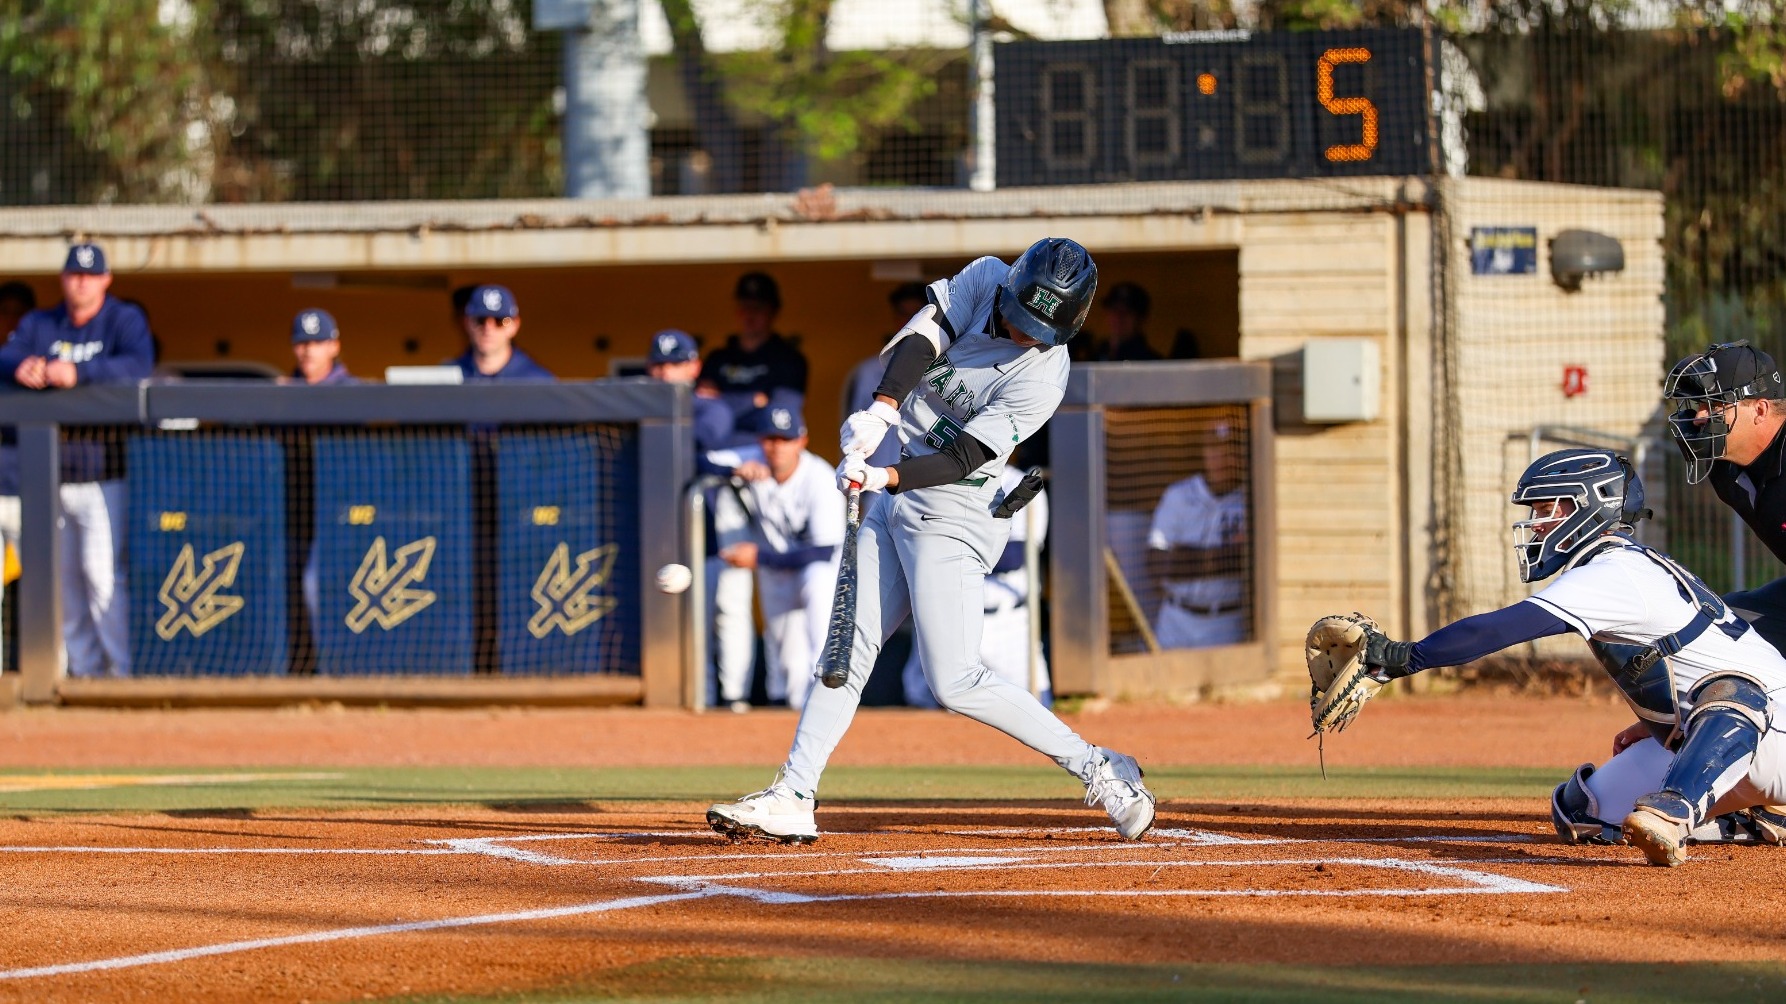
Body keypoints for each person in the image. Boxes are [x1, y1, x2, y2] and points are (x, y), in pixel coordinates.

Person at [706, 237, 1157, 845]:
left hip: (956, 507)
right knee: (846, 650)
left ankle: (1101, 767)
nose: (1025, 336)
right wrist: (881, 413)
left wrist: (882, 474)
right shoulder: (984, 279)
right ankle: (794, 792)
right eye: (1022, 321)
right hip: (897, 485)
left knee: (955, 680)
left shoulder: (1047, 372)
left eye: (1039, 330)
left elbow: (966, 457)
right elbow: (921, 339)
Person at [1335, 448, 1786, 866]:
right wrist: (1660, 720)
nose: (1535, 523)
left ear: (1590, 507)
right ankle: (1751, 820)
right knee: (1582, 813)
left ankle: (1675, 811)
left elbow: (1501, 628)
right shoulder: (1612, 566)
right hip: (1717, 742)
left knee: (1733, 694)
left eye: (1547, 509)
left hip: (1772, 734)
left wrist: (1403, 657)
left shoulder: (1615, 571)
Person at [0, 243, 153, 677]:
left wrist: (78, 373)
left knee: (102, 577)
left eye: (90, 275)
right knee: (62, 583)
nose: (81, 282)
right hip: (49, 479)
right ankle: (86, 673)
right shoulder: (42, 323)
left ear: (106, 279)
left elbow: (139, 365)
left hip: (102, 476)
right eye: (73, 275)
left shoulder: (122, 319)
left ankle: (121, 674)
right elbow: (6, 352)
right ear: (63, 280)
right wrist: (22, 366)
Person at [648, 328, 764, 712]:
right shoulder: (638, 409)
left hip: (713, 532)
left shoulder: (709, 408)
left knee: (728, 613)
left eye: (677, 363)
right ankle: (698, 697)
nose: (668, 373)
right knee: (684, 624)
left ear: (694, 366)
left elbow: (693, 445)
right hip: (658, 536)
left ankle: (735, 699)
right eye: (661, 365)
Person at [706, 405, 843, 711]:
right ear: (760, 440)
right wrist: (731, 471)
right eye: (770, 439)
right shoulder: (753, 457)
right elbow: (700, 461)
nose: (776, 447)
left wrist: (760, 557)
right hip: (774, 568)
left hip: (816, 568)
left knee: (819, 628)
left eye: (785, 439)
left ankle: (831, 700)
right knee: (788, 662)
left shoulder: (820, 478)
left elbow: (824, 550)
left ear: (801, 441)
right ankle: (790, 714)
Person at [1662, 341, 1786, 652]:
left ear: (1760, 409)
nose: (1700, 418)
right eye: (1698, 405)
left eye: (1715, 405)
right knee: (1722, 628)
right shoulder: (1725, 471)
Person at [903, 464, 1051, 706]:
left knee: (1033, 708)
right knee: (924, 705)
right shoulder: (939, 479)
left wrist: (951, 551)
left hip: (1006, 623)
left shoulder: (1020, 483)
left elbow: (1015, 555)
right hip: (945, 617)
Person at [1145, 421, 1248, 648]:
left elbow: (1254, 563)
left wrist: (1185, 556)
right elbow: (1156, 565)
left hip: (1227, 622)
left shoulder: (1250, 500)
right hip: (1176, 621)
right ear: (1203, 452)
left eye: (1228, 449)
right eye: (1213, 448)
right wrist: (1228, 556)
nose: (1220, 457)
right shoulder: (1178, 495)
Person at [699, 272, 808, 434]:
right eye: (744, 307)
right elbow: (700, 407)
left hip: (762, 448)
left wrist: (720, 403)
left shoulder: (790, 360)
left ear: (773, 312)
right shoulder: (717, 358)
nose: (750, 315)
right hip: (716, 445)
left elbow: (780, 414)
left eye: (758, 308)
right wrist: (751, 401)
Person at [842, 282, 928, 474]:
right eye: (902, 313)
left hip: (923, 484)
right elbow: (851, 434)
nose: (908, 321)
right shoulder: (866, 371)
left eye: (916, 314)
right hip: (874, 482)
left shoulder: (944, 370)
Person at [453, 285, 554, 382]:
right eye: (481, 320)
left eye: (499, 321)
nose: (488, 329)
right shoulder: (447, 377)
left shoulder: (537, 380)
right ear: (467, 323)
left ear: (515, 325)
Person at [1093, 282, 1160, 362]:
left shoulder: (1151, 362)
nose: (1118, 317)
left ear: (1140, 319)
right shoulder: (1096, 354)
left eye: (1127, 312)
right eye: (1114, 310)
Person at [288, 309, 357, 386]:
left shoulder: (355, 392)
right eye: (303, 343)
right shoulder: (284, 389)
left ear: (334, 346)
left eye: (318, 342)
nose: (309, 350)